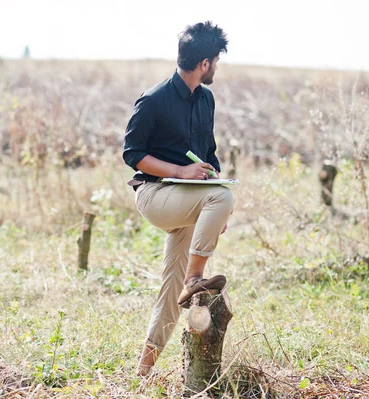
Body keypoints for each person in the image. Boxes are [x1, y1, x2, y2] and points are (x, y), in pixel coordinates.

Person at [122, 21, 234, 376]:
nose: (216, 67)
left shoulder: (206, 99)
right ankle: (196, 278)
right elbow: (132, 154)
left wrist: (211, 182)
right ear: (205, 62)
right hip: (155, 194)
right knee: (221, 198)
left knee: (169, 291)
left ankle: (143, 371)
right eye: (215, 60)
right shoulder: (154, 99)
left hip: (190, 198)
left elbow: (208, 154)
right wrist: (181, 172)